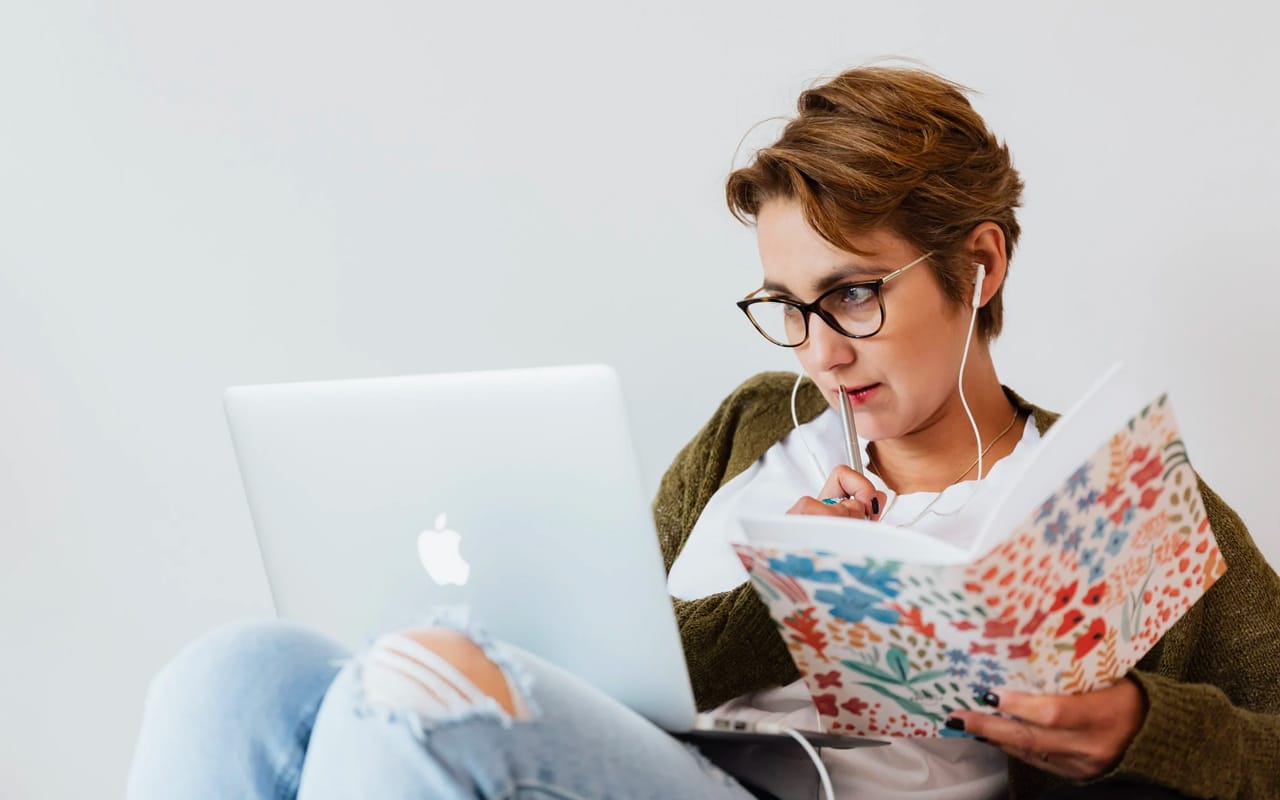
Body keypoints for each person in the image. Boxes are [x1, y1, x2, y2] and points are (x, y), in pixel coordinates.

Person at [128, 66, 1280, 800]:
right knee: (237, 672)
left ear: (977, 264)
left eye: (854, 294)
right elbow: (612, 676)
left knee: (414, 688)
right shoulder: (748, 432)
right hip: (648, 769)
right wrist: (794, 591)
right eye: (788, 303)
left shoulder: (1103, 499)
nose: (817, 349)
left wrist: (1141, 725)